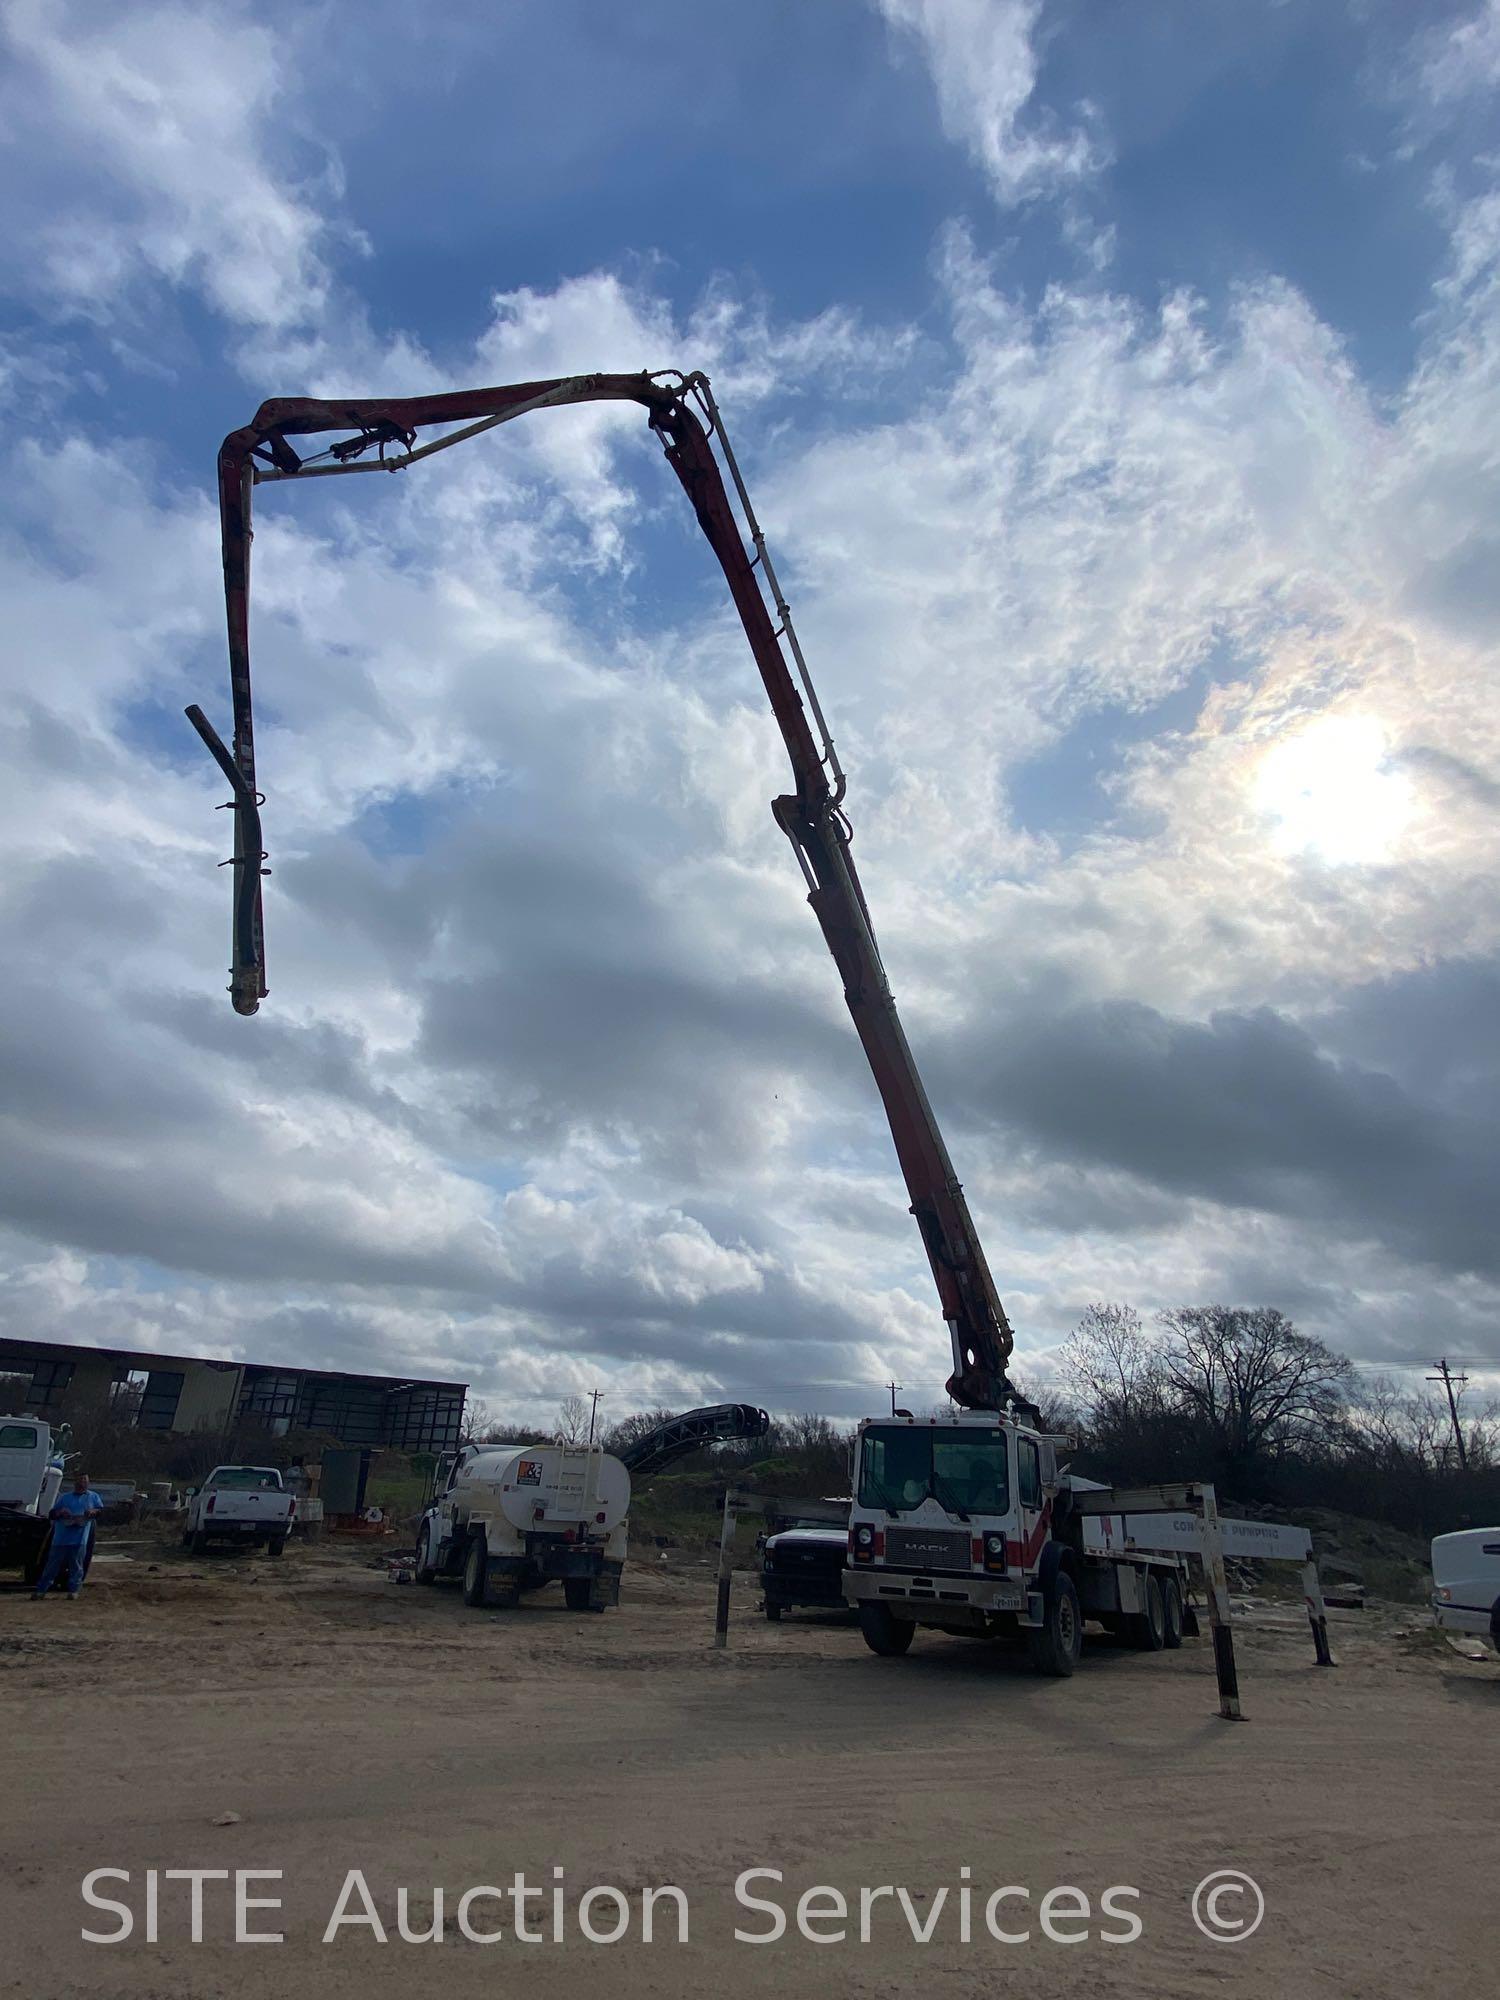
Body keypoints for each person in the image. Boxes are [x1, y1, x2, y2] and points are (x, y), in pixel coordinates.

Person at [33, 1471, 104, 1601]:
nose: (82, 1483)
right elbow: (52, 1514)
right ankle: (41, 1590)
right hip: (60, 1539)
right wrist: (61, 1512)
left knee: (76, 1566)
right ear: (75, 1482)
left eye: (85, 1481)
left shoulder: (93, 1497)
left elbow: (100, 1512)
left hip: (79, 1539)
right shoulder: (65, 1498)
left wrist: (92, 1512)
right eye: (80, 1480)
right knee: (51, 1566)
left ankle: (73, 1590)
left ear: (88, 1483)